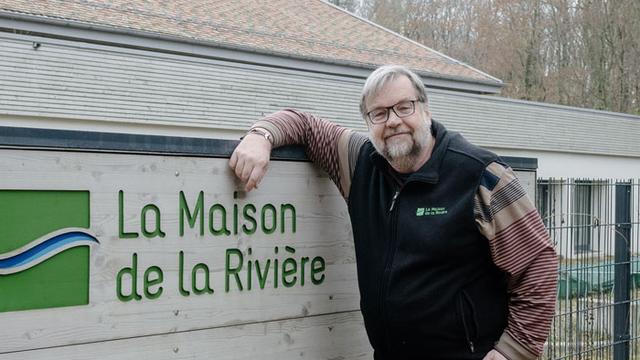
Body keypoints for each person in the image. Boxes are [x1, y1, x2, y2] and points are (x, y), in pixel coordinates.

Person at [229, 65, 558, 360]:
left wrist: (513, 352)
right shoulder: (360, 163)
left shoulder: (481, 175)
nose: (394, 121)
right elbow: (305, 124)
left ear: (425, 109)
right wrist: (261, 136)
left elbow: (538, 265)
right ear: (368, 122)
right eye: (380, 113)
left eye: (404, 107)